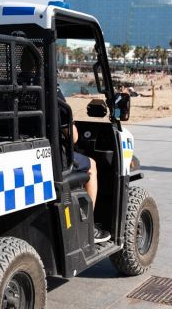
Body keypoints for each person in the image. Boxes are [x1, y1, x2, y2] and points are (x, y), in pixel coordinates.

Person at [57, 87, 109, 243]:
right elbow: (72, 137)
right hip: (54, 158)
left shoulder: (10, 89)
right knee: (91, 165)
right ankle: (88, 225)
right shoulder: (52, 91)